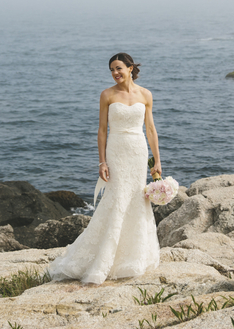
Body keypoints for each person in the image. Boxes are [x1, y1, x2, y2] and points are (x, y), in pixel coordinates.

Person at [48, 52, 162, 284]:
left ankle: (133, 256)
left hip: (139, 151)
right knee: (118, 197)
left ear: (131, 68)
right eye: (111, 69)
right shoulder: (107, 95)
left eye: (119, 68)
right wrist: (102, 161)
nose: (115, 73)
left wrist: (157, 161)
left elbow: (150, 129)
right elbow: (102, 130)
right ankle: (105, 257)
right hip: (117, 151)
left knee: (137, 199)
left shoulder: (146, 94)